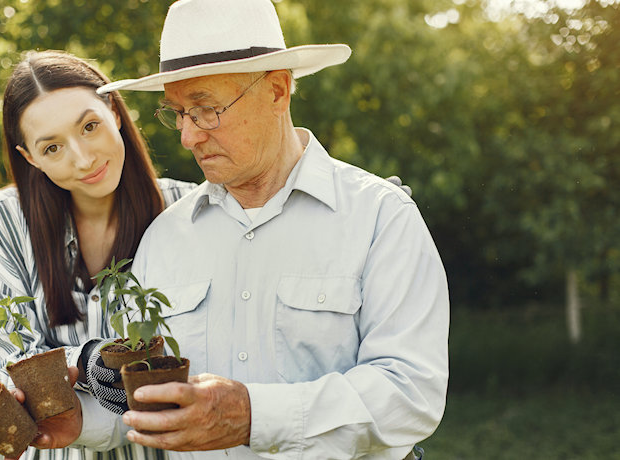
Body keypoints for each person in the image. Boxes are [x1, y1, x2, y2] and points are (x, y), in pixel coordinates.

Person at [56, 0, 449, 459]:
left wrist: (252, 415)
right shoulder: (165, 238)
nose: (188, 136)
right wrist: (77, 419)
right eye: (178, 113)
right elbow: (149, 404)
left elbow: (410, 393)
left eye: (205, 109)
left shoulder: (380, 217)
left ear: (278, 91)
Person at [0, 50, 197, 460]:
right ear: (30, 158)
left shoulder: (190, 212)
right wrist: (88, 361)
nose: (83, 158)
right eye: (52, 148)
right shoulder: (2, 223)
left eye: (89, 126)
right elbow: (3, 373)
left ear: (115, 111)